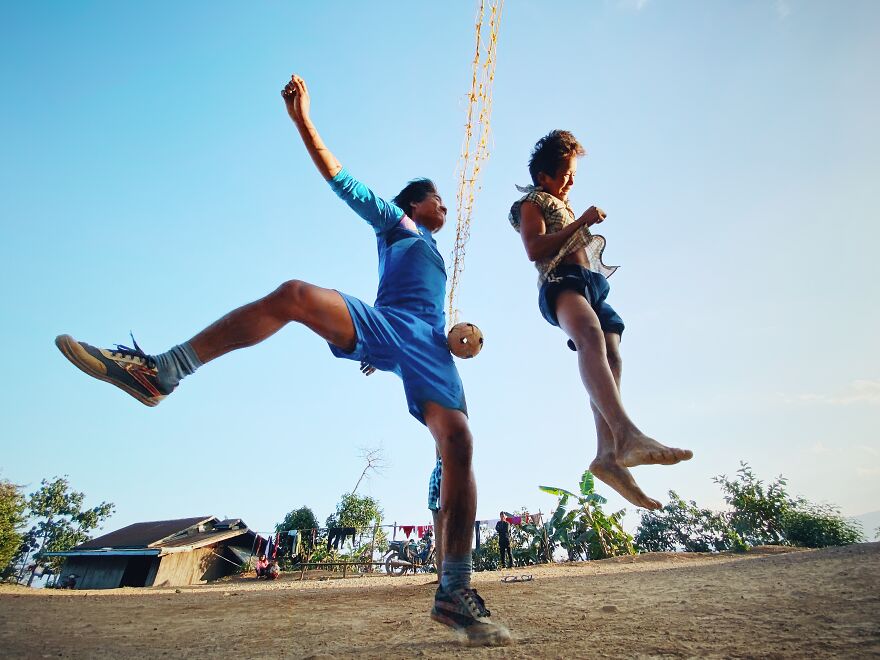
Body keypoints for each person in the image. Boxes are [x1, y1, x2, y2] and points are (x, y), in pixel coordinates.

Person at [55, 73, 509, 646]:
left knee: (461, 444)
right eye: (436, 195)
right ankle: (162, 371)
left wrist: (443, 338)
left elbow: (421, 304)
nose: (445, 202)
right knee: (294, 294)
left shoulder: (433, 252)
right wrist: (303, 121)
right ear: (414, 203)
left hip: (426, 346)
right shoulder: (396, 222)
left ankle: (454, 590)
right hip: (386, 326)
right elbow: (340, 178)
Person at [509, 130, 693, 510]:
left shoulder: (563, 202)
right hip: (561, 283)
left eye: (574, 174)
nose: (571, 181)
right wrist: (581, 223)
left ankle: (607, 454)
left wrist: (579, 221)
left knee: (612, 354)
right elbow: (534, 248)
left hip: (592, 287)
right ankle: (626, 432)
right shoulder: (532, 202)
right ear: (543, 177)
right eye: (564, 174)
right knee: (589, 337)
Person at [427, 452, 444, 580]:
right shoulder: (439, 467)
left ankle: (443, 577)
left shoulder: (439, 468)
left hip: (443, 507)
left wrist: (433, 505)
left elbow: (433, 488)